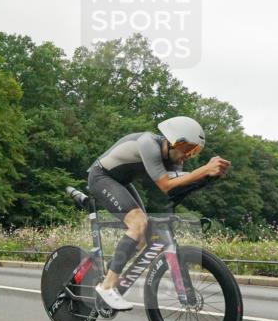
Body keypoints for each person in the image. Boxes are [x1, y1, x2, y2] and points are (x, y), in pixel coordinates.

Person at [86, 116, 230, 310]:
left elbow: (174, 192)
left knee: (145, 234)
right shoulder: (148, 143)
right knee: (138, 224)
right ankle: (107, 286)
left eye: (194, 151)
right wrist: (204, 169)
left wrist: (208, 177)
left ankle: (111, 267)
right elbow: (165, 184)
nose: (189, 155)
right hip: (100, 176)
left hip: (121, 183)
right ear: (172, 141)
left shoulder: (174, 161)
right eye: (188, 148)